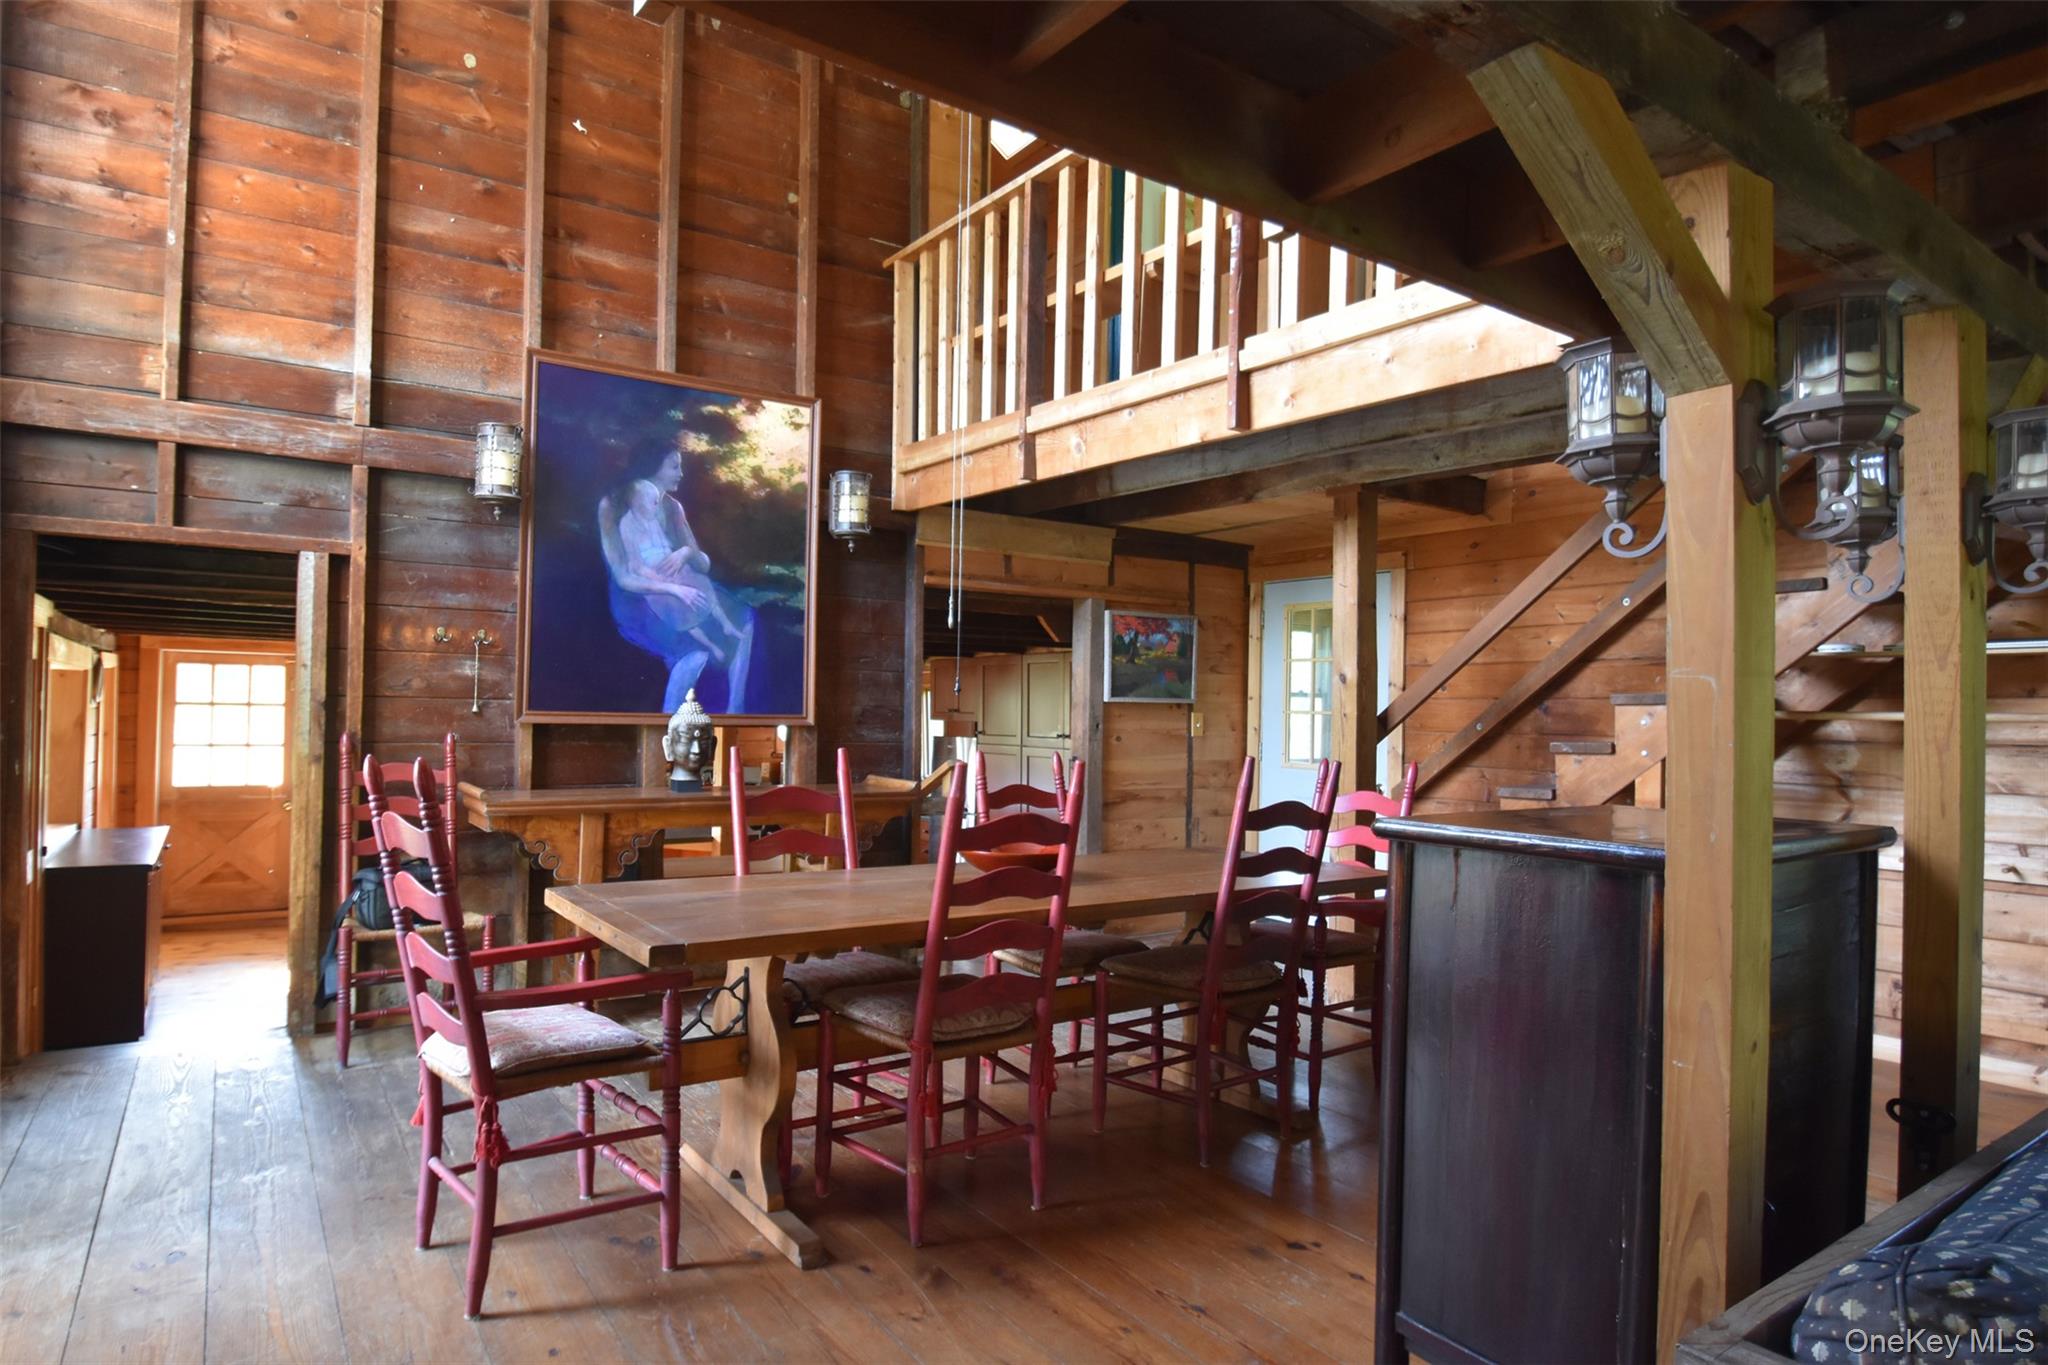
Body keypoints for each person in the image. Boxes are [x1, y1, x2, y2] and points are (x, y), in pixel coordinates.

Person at [599, 442, 754, 712]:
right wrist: (671, 589)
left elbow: (702, 564)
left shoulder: (672, 507)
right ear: (652, 466)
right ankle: (669, 723)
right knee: (692, 651)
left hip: (682, 583)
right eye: (674, 466)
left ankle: (735, 711)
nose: (681, 473)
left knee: (745, 620)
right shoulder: (612, 506)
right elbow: (624, 577)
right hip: (639, 596)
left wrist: (684, 553)